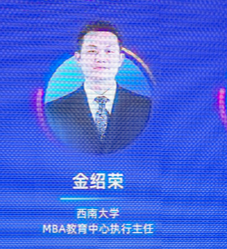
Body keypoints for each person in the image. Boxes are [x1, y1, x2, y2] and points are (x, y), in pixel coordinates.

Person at [45, 22, 151, 154]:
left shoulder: (145, 107)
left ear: (120, 59)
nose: (100, 58)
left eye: (108, 51)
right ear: (78, 58)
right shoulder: (55, 111)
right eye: (92, 51)